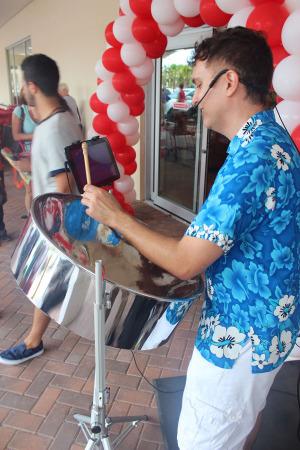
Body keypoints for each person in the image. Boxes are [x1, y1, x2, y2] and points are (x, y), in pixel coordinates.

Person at [80, 27, 300, 450]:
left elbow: (184, 262)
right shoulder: (274, 138)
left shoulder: (250, 160)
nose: (194, 98)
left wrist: (115, 217)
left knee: (203, 439)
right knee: (243, 422)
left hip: (238, 338)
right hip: (270, 327)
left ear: (230, 82)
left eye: (199, 85)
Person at [0, 54, 82, 365]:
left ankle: (33, 341)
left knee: (45, 282)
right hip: (57, 221)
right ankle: (35, 338)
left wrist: (49, 227)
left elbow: (63, 181)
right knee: (48, 282)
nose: (22, 88)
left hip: (57, 222)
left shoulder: (56, 126)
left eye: (23, 83)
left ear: (32, 86)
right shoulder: (60, 118)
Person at [12, 88, 38, 214]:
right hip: (26, 156)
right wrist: (36, 135)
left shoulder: (41, 108)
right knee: (30, 190)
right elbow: (16, 135)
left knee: (43, 188)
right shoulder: (20, 111)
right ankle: (31, 219)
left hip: (42, 153)